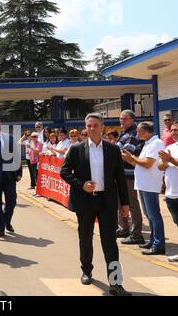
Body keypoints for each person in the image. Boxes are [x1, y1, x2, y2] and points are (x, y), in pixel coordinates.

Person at [60, 113, 131, 296]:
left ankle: (116, 283)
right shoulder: (76, 149)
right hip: (85, 201)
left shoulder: (113, 149)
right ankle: (86, 270)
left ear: (102, 127)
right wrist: (81, 185)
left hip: (106, 201)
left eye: (95, 125)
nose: (92, 128)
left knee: (110, 242)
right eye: (89, 126)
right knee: (85, 238)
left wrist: (125, 203)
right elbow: (64, 172)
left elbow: (120, 179)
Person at [122, 122, 166, 255]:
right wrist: (128, 158)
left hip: (150, 184)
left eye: (138, 132)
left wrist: (132, 158)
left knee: (154, 215)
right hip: (143, 183)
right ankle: (153, 240)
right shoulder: (148, 143)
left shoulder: (156, 143)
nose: (136, 134)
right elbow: (139, 163)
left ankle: (159, 244)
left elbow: (147, 164)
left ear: (146, 132)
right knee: (149, 215)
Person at [0, 117, 23, 238]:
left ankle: (6, 220)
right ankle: (0, 228)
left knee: (12, 201)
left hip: (9, 176)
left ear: (0, 125)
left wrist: (19, 172)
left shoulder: (10, 138)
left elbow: (16, 155)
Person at [116, 110, 145, 245]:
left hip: (130, 175)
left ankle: (136, 234)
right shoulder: (124, 133)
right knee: (120, 203)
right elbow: (118, 151)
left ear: (132, 120)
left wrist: (114, 150)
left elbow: (125, 153)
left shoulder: (134, 134)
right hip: (120, 174)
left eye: (125, 119)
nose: (122, 121)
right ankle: (123, 228)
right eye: (121, 118)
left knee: (132, 204)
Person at [158, 121, 178, 262]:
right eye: (172, 130)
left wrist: (170, 159)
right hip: (171, 193)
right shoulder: (170, 147)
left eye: (176, 130)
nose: (174, 133)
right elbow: (160, 167)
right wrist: (165, 162)